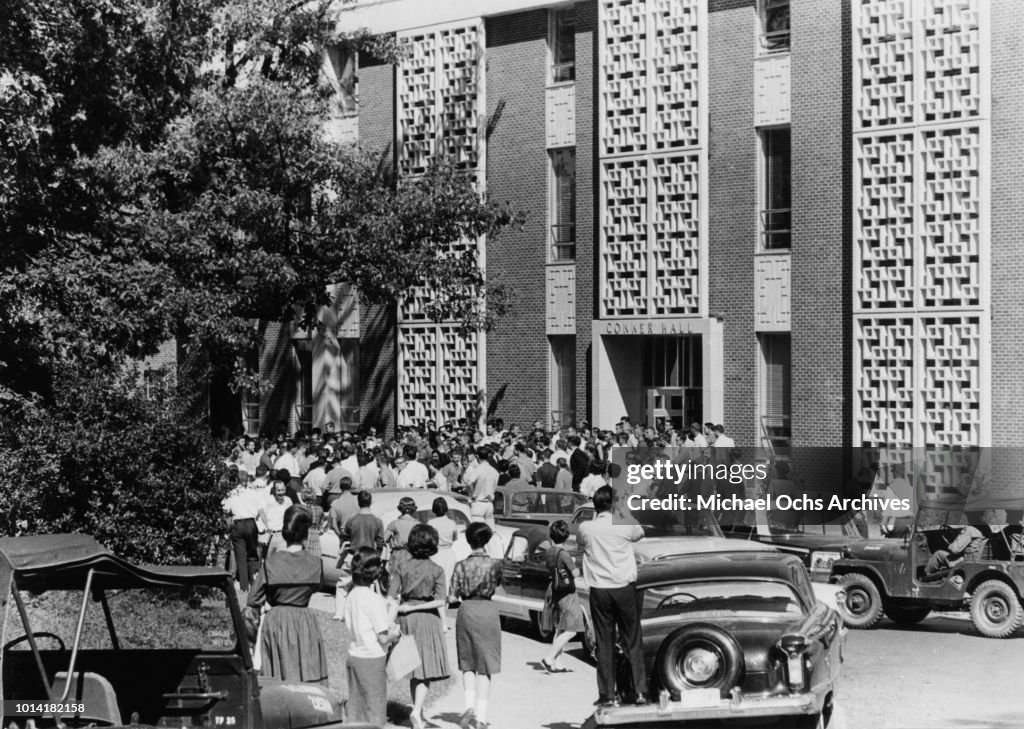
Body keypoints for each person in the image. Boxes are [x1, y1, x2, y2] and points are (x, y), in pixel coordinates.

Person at [578, 485, 647, 707]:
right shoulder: (624, 523)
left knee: (604, 642)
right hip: (624, 586)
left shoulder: (586, 528)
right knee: (632, 640)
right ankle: (639, 691)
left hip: (600, 589)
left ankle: (607, 693)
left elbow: (581, 543)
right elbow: (639, 533)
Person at [246, 506, 329, 684]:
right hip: (304, 622)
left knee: (277, 675)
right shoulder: (315, 564)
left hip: (276, 621)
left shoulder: (271, 563)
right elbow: (316, 586)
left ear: (284, 532)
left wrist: (249, 640)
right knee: (306, 670)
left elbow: (253, 601)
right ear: (306, 534)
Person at [387, 524, 450, 729]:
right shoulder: (437, 570)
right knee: (425, 669)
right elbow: (440, 601)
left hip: (406, 617)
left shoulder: (401, 566)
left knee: (414, 668)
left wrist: (399, 612)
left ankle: (418, 712)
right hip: (426, 619)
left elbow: (390, 596)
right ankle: (417, 711)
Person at [449, 522, 503, 729]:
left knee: (468, 662)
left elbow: (453, 596)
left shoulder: (461, 565)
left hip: (467, 610)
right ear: (487, 540)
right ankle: (481, 717)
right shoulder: (496, 564)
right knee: (486, 665)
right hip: (488, 611)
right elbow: (497, 583)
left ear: (468, 540)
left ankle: (469, 705)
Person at [343, 548, 401, 726]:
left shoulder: (351, 595)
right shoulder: (373, 599)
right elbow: (383, 638)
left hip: (354, 655)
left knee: (356, 707)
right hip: (372, 658)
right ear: (376, 573)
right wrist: (395, 633)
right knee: (374, 709)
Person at [541, 520, 586, 673]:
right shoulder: (564, 554)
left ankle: (557, 663)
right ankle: (549, 658)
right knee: (572, 629)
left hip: (554, 590)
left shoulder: (548, 552)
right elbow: (576, 573)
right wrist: (573, 562)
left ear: (551, 536)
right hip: (567, 593)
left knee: (560, 628)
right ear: (566, 536)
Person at [334, 490, 385, 621]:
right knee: (368, 586)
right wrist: (377, 557)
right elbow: (380, 542)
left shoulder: (352, 520)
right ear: (371, 502)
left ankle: (339, 613)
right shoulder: (377, 521)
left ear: (358, 502)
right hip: (369, 556)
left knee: (343, 585)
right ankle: (367, 615)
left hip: (353, 555)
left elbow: (346, 536)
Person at [222, 475, 264, 590]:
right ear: (248, 481)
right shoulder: (254, 493)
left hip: (238, 524)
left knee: (240, 556)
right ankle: (253, 581)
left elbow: (225, 510)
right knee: (252, 554)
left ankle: (244, 586)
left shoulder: (231, 494)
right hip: (251, 523)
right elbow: (261, 511)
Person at [427, 497, 459, 632]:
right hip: (449, 554)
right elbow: (455, 538)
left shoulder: (431, 523)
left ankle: (442, 621)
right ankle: (443, 619)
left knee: (437, 587)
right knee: (446, 587)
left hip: (436, 554)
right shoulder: (452, 523)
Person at [385, 496, 421, 578]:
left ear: (400, 509)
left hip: (398, 554)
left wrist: (391, 542)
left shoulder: (394, 524)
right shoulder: (418, 524)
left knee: (395, 582)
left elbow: (383, 539)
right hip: (413, 555)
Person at [258, 480, 293, 557]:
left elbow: (291, 516)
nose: (281, 493)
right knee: (269, 560)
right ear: (274, 490)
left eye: (282, 490)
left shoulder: (288, 500)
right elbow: (261, 513)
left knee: (282, 560)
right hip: (271, 536)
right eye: (278, 490)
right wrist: (266, 526)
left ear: (285, 489)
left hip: (283, 535)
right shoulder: (269, 501)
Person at [467, 447, 498, 527]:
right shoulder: (494, 471)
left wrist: (472, 495)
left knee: (476, 531)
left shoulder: (478, 469)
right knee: (491, 532)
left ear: (477, 456)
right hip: (489, 504)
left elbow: (469, 483)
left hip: (478, 503)